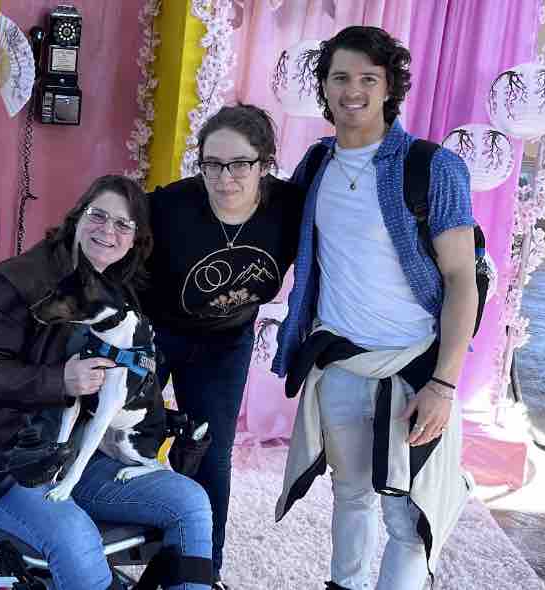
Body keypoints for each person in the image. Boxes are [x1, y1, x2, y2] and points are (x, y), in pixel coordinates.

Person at [272, 26, 477, 590]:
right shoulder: (316, 164)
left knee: (406, 520)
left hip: (414, 368)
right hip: (340, 363)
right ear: (324, 87)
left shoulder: (431, 167)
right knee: (350, 496)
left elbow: (461, 280)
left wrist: (444, 385)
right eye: (340, 77)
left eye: (369, 78)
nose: (353, 90)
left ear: (390, 88)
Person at [0, 175, 214, 590]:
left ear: (134, 240)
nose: (108, 231)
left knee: (190, 503)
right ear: (76, 218)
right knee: (79, 539)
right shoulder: (11, 282)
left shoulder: (118, 297)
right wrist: (60, 380)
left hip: (78, 455)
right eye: (98, 216)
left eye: (123, 224)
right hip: (6, 460)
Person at [141, 104, 306, 587]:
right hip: (154, 333)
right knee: (129, 441)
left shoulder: (290, 209)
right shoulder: (170, 206)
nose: (224, 178)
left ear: (265, 164)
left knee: (211, 454)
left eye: (239, 165)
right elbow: (105, 235)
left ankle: (202, 569)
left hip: (224, 341)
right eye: (212, 164)